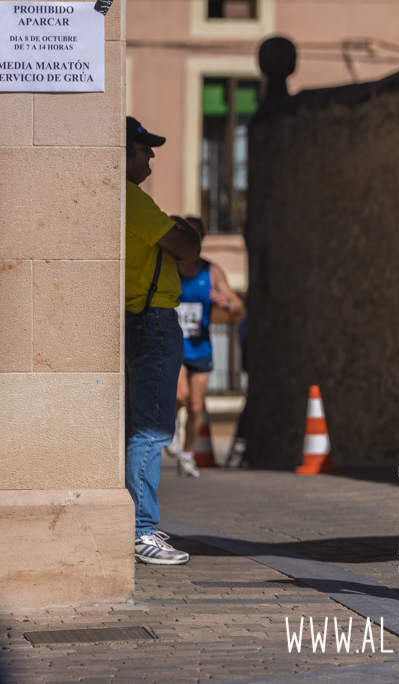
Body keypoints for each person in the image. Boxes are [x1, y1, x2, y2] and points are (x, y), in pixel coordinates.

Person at [125, 117, 201, 565]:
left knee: (142, 427)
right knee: (152, 430)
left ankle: (139, 523)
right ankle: (141, 530)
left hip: (143, 318)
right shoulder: (132, 199)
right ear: (123, 152)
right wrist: (182, 229)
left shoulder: (126, 199)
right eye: (142, 149)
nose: (151, 156)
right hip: (153, 321)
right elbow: (188, 248)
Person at [174, 217, 246, 477]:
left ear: (200, 240)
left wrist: (225, 302)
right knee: (179, 396)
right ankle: (170, 430)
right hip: (176, 346)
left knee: (196, 406)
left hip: (201, 347)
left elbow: (238, 306)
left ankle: (187, 454)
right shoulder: (170, 268)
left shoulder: (211, 272)